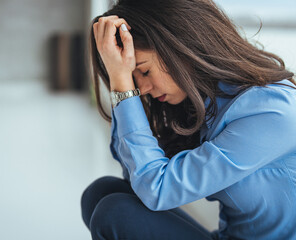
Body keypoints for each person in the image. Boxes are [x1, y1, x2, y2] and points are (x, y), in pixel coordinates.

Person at [81, 0, 296, 239]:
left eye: (143, 71)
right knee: (100, 192)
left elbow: (156, 190)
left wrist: (123, 88)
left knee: (114, 214)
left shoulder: (273, 112)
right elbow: (134, 177)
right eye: (132, 79)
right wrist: (124, 85)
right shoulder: (203, 103)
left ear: (181, 48)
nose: (142, 89)